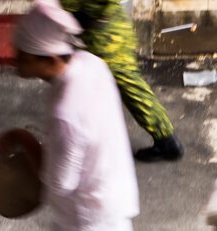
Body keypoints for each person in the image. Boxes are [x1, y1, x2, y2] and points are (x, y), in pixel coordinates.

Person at [0, 0, 155, 231]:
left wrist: (25, 139)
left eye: (22, 55)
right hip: (112, 191)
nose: (15, 61)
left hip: (86, 213)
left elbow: (58, 183)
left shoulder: (66, 111)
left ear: (47, 58)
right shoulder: (91, 65)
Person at [61, 0, 184, 162]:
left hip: (102, 35)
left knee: (129, 87)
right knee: (115, 85)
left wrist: (82, 16)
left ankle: (167, 141)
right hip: (109, 25)